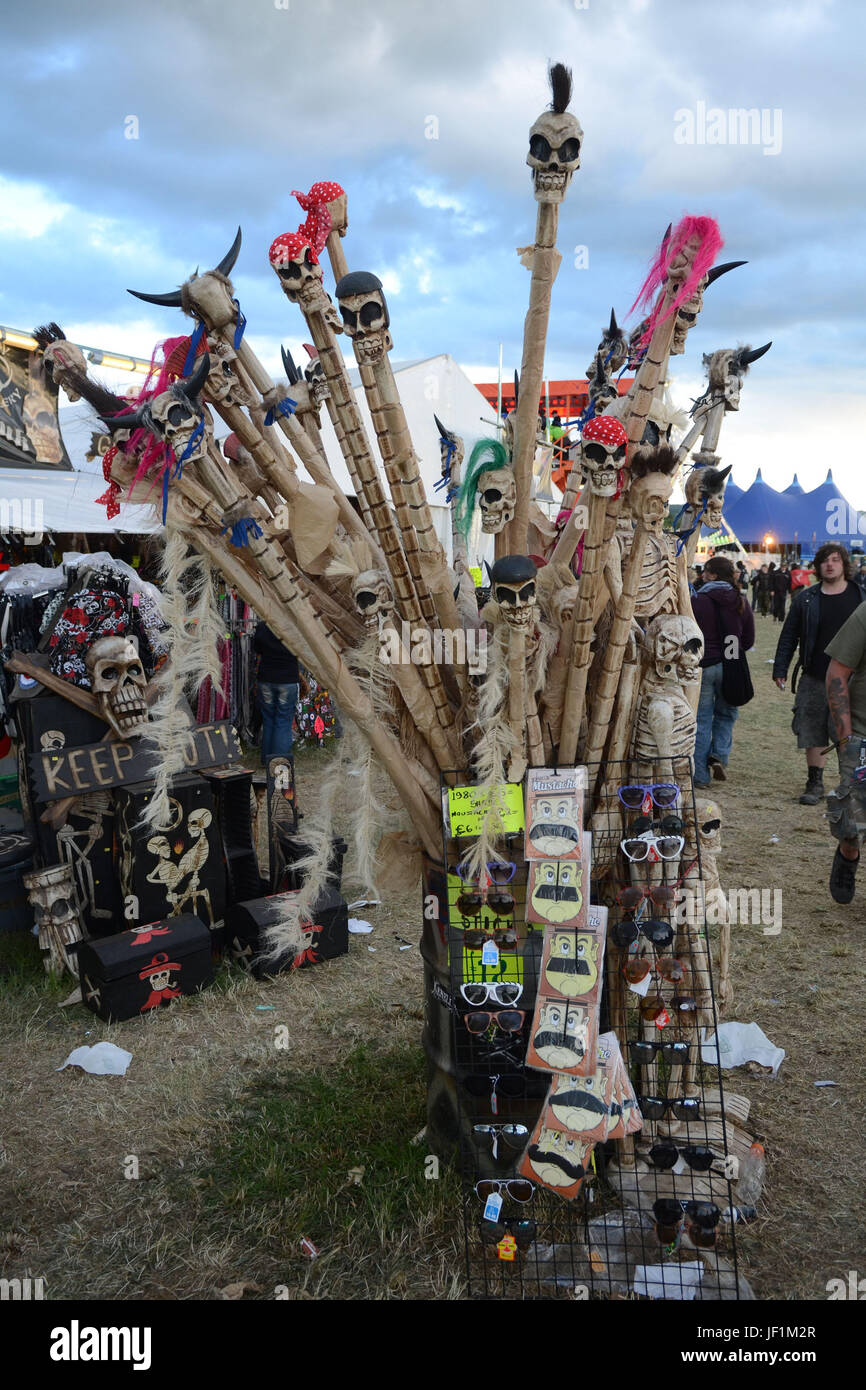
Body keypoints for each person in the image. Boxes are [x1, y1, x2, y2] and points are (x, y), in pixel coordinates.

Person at [772, 542, 862, 804]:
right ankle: (815, 783)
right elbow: (789, 636)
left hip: (852, 681)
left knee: (849, 733)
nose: (830, 564)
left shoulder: (861, 597)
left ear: (845, 565)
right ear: (818, 566)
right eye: (825, 560)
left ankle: (850, 783)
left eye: (836, 560)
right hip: (814, 676)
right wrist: (781, 668)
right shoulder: (807, 599)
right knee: (812, 731)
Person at [691, 555, 756, 787]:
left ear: (714, 575)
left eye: (706, 572)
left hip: (705, 664)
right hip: (731, 665)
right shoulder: (739, 600)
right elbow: (748, 638)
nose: (703, 575)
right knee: (727, 714)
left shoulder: (699, 599)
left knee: (701, 719)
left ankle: (699, 775)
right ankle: (719, 754)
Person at [824, 604, 866, 902]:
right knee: (854, 822)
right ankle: (848, 853)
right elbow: (838, 672)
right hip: (862, 735)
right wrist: (845, 737)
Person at [253, 620, 300, 763]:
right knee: (283, 721)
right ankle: (279, 763)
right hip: (287, 679)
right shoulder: (294, 627)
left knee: (268, 719)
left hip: (266, 679)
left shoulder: (263, 626)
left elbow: (257, 648)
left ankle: (266, 761)